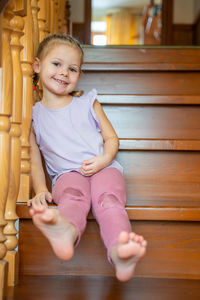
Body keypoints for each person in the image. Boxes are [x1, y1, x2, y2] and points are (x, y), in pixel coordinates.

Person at [28, 33, 147, 282]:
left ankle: (120, 253)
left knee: (109, 200)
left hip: (103, 168)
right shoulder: (34, 115)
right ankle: (65, 233)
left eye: (72, 68)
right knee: (72, 198)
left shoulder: (87, 102)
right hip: (66, 175)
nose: (64, 73)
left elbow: (112, 139)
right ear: (37, 66)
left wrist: (104, 160)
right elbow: (34, 158)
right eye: (56, 64)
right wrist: (40, 188)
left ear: (79, 74)